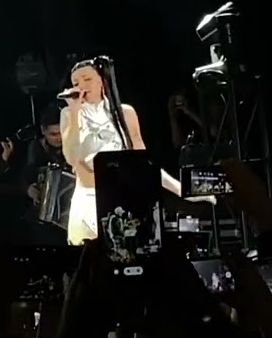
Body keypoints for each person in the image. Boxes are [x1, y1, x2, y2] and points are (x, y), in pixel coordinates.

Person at [60, 56, 184, 245]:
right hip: (88, 198)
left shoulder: (124, 113)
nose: (82, 86)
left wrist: (179, 188)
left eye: (87, 79)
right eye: (76, 82)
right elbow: (71, 158)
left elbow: (143, 163)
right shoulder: (69, 114)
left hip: (121, 196)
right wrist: (76, 112)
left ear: (102, 80)